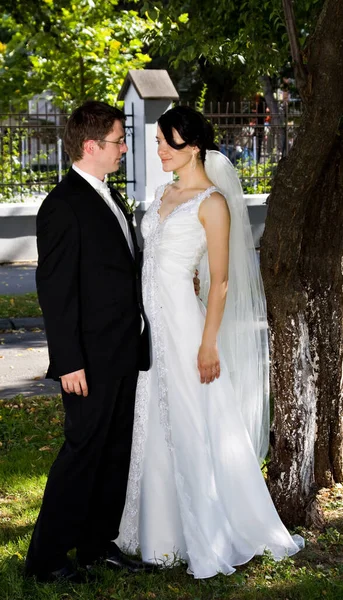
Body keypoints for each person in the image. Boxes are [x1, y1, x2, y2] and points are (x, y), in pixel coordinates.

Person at [118, 106, 303, 579]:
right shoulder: (163, 192)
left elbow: (219, 280)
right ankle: (160, 537)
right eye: (158, 141)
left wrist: (207, 344)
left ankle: (212, 531)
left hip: (185, 327)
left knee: (190, 420)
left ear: (193, 147)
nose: (157, 149)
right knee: (155, 421)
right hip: (151, 329)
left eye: (166, 142)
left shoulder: (212, 203)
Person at [25, 100, 152, 583]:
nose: (124, 148)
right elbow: (56, 293)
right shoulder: (62, 205)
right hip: (89, 360)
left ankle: (97, 545)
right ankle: (47, 559)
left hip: (122, 351)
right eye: (119, 141)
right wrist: (69, 362)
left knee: (114, 453)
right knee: (82, 455)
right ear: (91, 145)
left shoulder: (108, 195)